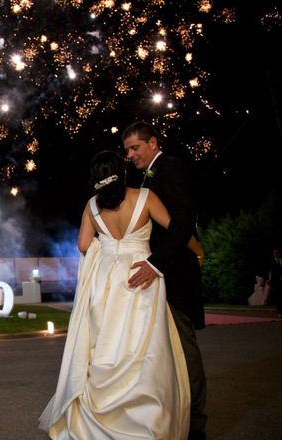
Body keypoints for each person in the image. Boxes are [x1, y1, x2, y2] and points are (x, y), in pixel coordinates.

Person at [39, 150, 190, 439]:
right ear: (121, 171)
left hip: (105, 281)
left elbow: (83, 245)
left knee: (105, 343)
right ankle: (145, 417)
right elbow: (174, 230)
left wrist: (107, 248)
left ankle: (98, 413)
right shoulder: (145, 197)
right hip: (140, 273)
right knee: (142, 344)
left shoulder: (91, 206)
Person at [122, 121, 207, 439]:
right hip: (163, 273)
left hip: (176, 273)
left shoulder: (170, 168)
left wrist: (155, 264)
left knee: (184, 348)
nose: (131, 155)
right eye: (127, 150)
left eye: (135, 147)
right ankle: (179, 416)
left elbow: (183, 220)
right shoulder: (148, 175)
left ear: (153, 143)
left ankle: (196, 424)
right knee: (168, 350)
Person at [268, 247, 282, 317]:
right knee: (277, 297)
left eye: (277, 252)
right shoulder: (272, 262)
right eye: (274, 253)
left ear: (279, 253)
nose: (275, 254)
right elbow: (270, 272)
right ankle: (280, 312)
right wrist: (269, 280)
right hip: (275, 282)